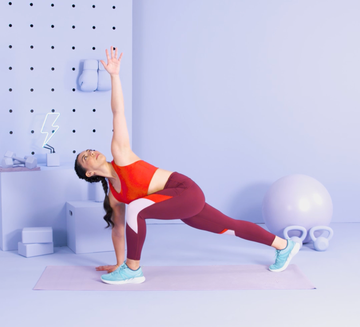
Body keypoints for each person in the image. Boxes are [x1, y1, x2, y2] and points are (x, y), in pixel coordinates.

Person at [74, 46, 300, 285]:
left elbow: (117, 112)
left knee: (137, 208)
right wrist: (116, 263)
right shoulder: (115, 197)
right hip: (179, 204)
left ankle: (133, 269)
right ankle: (284, 246)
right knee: (229, 226)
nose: (92, 153)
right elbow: (119, 230)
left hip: (184, 190)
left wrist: (114, 76)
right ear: (88, 172)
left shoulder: (120, 154)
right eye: (85, 157)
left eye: (90, 150)